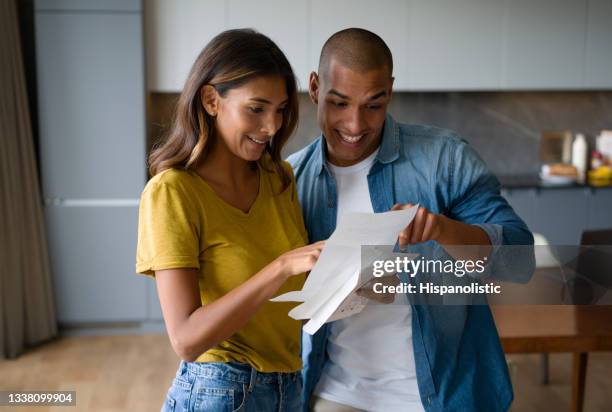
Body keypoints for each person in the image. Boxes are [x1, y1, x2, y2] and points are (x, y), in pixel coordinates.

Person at [287, 28, 534, 412]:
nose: (355, 125)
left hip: (446, 392)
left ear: (390, 91)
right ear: (315, 88)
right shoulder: (290, 181)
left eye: (373, 104)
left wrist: (440, 228)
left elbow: (520, 260)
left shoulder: (444, 159)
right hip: (338, 389)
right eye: (339, 103)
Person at [136, 29, 324, 412]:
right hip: (220, 390)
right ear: (211, 100)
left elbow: (298, 300)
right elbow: (186, 339)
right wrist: (282, 266)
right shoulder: (172, 192)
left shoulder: (279, 179)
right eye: (256, 109)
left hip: (289, 387)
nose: (271, 127)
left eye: (281, 109)